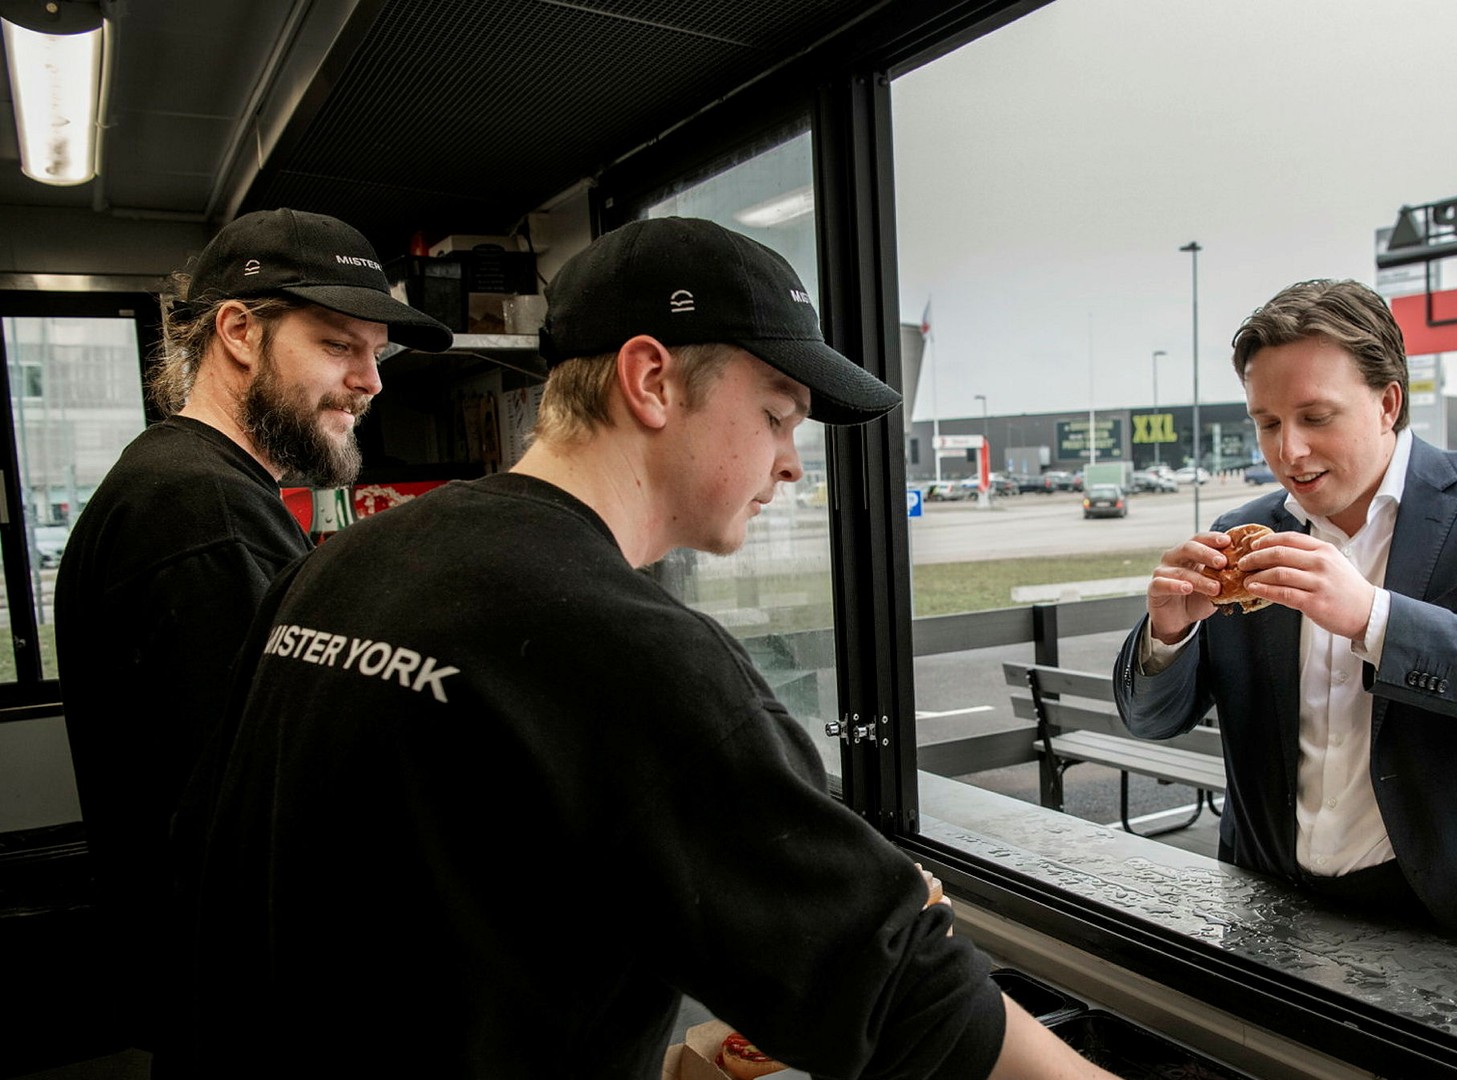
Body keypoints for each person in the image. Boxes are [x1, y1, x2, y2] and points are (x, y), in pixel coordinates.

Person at [175, 217, 1120, 1080]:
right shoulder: (628, 651)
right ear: (651, 381)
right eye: (778, 415)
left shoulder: (348, 564)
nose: (792, 460)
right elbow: (907, 998)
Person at [1111, 279, 1457, 971]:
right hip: (1275, 918)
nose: (1288, 451)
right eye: (1266, 423)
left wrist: (1375, 617)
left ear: (1388, 403)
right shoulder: (1241, 535)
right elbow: (1152, 722)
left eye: (1315, 416)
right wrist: (1168, 636)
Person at [54, 207, 451, 1050]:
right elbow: (268, 799)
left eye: (376, 353)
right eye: (340, 345)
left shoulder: (180, 481)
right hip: (251, 1006)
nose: (372, 381)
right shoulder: (202, 510)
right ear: (239, 331)